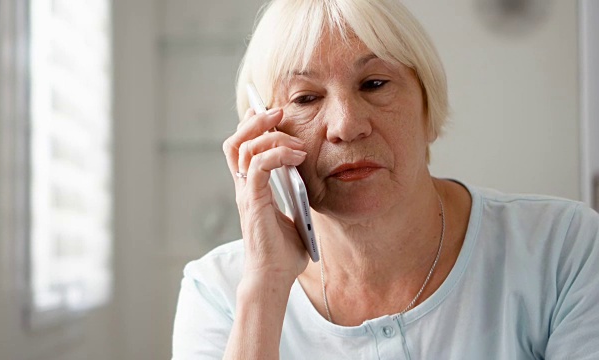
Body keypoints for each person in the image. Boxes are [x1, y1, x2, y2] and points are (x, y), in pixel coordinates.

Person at [172, 0, 599, 359]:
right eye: (306, 98)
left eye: (374, 84)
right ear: (264, 136)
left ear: (428, 107)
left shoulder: (564, 249)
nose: (346, 125)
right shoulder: (219, 291)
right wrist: (265, 284)